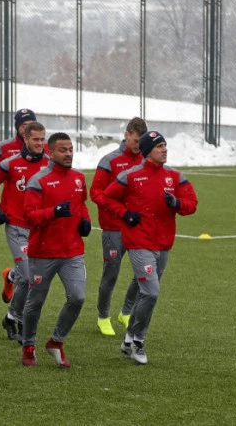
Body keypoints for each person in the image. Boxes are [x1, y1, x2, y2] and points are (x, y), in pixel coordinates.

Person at [103, 131, 197, 364]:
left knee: (146, 293)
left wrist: (177, 203)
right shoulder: (130, 176)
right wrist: (125, 214)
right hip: (138, 242)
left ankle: (128, 340)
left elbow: (192, 204)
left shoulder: (174, 176)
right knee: (151, 292)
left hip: (163, 244)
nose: (164, 149)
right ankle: (138, 341)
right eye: (159, 146)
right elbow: (107, 198)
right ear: (147, 151)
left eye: (165, 145)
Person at [21, 132, 90, 368]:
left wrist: (85, 221)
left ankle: (56, 342)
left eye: (70, 149)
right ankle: (28, 345)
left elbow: (81, 205)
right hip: (43, 252)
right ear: (50, 153)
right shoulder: (38, 181)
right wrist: (54, 212)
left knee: (78, 297)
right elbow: (29, 216)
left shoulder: (79, 178)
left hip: (72, 251)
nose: (68, 154)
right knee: (36, 302)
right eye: (63, 150)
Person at [0, 121, 49, 343]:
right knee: (30, 277)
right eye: (35, 139)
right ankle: (21, 322)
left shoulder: (49, 164)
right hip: (17, 227)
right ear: (26, 139)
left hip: (39, 229)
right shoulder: (10, 164)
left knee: (28, 277)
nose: (39, 143)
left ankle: (10, 315)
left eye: (42, 139)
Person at [89, 117, 146, 336]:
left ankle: (126, 312)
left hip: (138, 228)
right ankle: (103, 317)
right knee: (111, 275)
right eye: (136, 140)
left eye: (141, 141)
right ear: (127, 135)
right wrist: (119, 210)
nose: (138, 145)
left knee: (144, 272)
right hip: (114, 227)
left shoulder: (145, 160)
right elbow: (95, 193)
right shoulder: (109, 160)